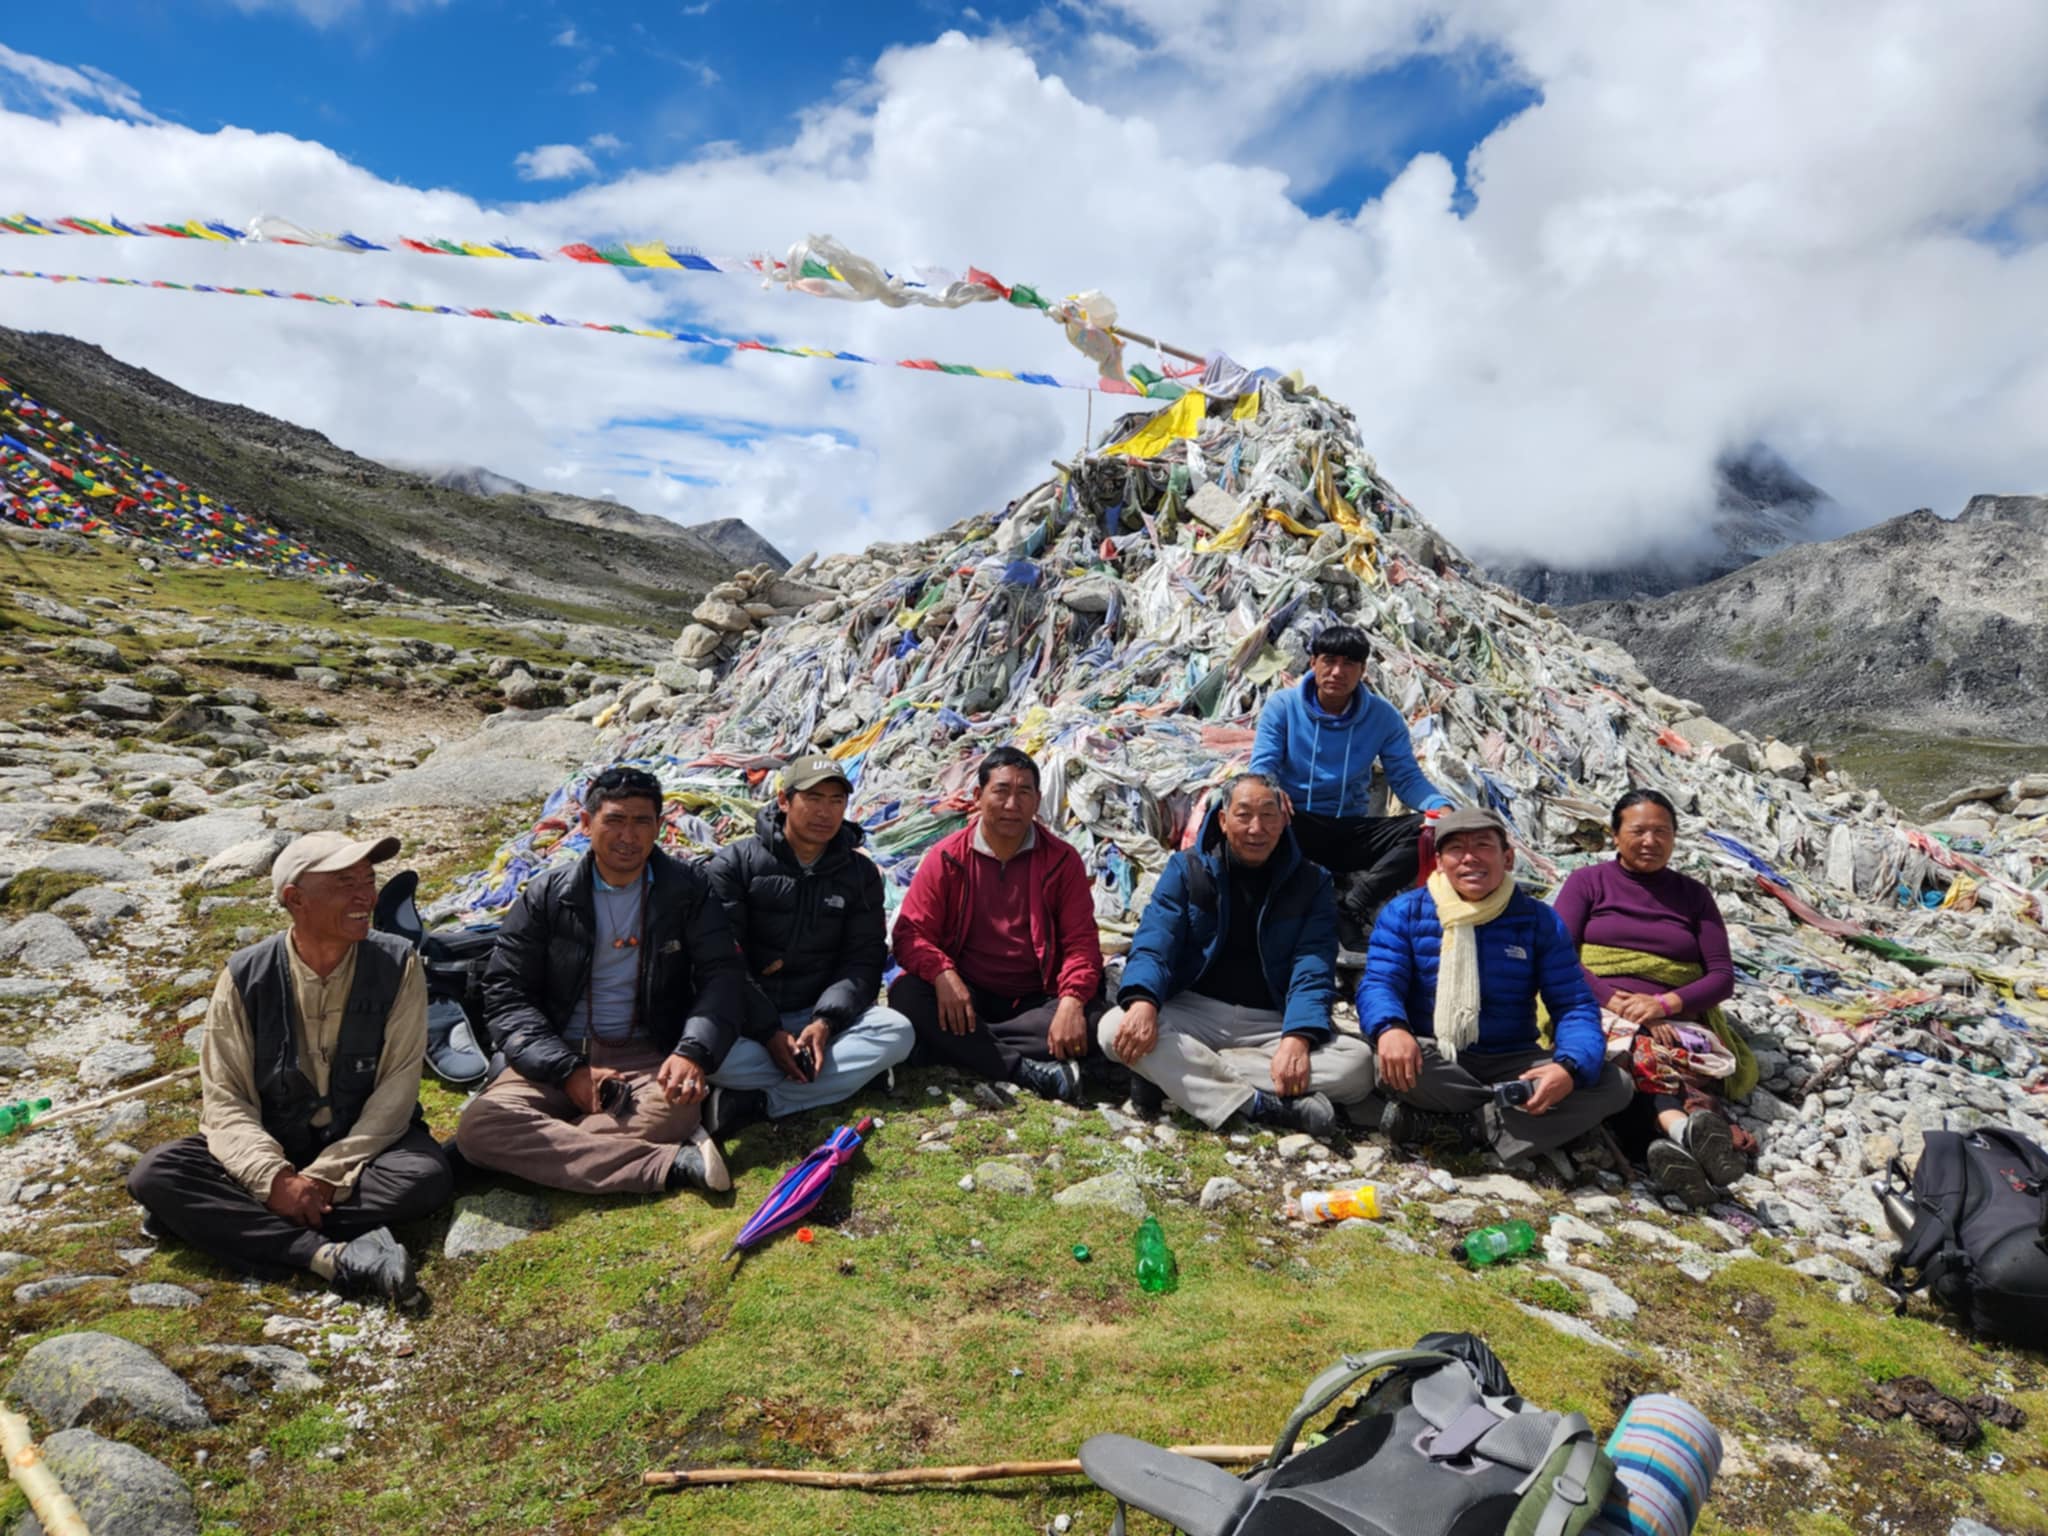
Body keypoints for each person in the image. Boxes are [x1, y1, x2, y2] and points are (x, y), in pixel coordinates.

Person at [128, 831, 452, 1304]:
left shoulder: (398, 963)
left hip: (361, 1152)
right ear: (295, 899)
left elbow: (396, 1094)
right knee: (156, 1173)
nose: (367, 896)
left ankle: (219, 1221)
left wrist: (321, 1177)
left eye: (369, 879)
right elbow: (226, 1100)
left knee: (424, 1178)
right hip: (272, 1141)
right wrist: (273, 1178)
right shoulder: (245, 975)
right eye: (346, 883)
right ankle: (326, 1257)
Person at [455, 765, 742, 1195]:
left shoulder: (687, 890)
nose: (629, 836)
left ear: (659, 827)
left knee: (676, 1111)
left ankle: (534, 1151)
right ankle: (671, 1165)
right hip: (555, 1056)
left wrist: (693, 1052)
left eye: (642, 822)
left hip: (646, 1057)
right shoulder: (547, 896)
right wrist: (568, 1070)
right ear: (587, 824)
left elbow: (723, 976)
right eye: (615, 820)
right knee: (480, 1125)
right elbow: (506, 993)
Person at [1099, 772, 1376, 1137]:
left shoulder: (1312, 882)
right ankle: (1261, 1105)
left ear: (1283, 821)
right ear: (1223, 820)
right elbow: (1155, 941)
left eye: (1268, 815)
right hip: (1193, 1009)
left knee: (1357, 1068)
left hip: (1269, 1023)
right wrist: (1145, 1002)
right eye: (1244, 815)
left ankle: (1175, 1076)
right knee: (1113, 1029)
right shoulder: (1188, 869)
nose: (1256, 828)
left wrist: (1296, 1037)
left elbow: (1312, 968)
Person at [1359, 807, 1632, 1160]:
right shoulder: (1406, 912)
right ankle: (1503, 1118)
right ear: (1440, 862)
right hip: (1436, 1052)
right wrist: (1390, 1028)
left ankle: (1462, 1125)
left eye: (1483, 846)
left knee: (1615, 1084)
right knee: (1385, 1062)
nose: (1470, 858)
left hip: (1511, 1057)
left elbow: (1574, 1004)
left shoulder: (1538, 921)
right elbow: (1380, 982)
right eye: (1456, 849)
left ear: (1508, 858)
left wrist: (1568, 1066)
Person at [1553, 788, 1754, 1206]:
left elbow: (1721, 977)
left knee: (1652, 1053)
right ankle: (1691, 1132)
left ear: (1675, 837)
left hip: (1675, 1014)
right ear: (1615, 834)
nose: (1650, 841)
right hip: (1598, 1004)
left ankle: (1668, 1150)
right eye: (1639, 830)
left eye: (1661, 831)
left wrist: (1662, 1005)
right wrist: (1616, 1000)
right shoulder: (1587, 882)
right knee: (1638, 1048)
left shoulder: (1694, 896)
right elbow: (1558, 955)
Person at [701, 754, 915, 1134]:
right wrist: (768, 1033)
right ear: (784, 801)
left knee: (897, 1031)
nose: (825, 812)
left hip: (817, 1015)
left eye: (836, 801)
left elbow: (863, 958)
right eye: (814, 798)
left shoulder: (859, 872)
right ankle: (846, 1076)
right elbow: (722, 962)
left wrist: (826, 1022)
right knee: (708, 1054)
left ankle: (757, 1102)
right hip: (746, 1019)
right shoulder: (734, 865)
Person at [889, 746, 1106, 1102]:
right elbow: (910, 934)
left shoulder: (1062, 861)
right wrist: (943, 973)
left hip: (1037, 996)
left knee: (1094, 1018)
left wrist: (1069, 1001)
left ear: (1037, 800)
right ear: (978, 796)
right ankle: (1023, 1070)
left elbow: (1081, 943)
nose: (1012, 804)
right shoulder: (947, 857)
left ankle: (957, 1046)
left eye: (1024, 793)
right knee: (907, 994)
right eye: (1001, 791)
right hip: (966, 993)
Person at [1249, 624, 1452, 948]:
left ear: (1362, 670)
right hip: (1296, 823)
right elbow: (1263, 766)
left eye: (1349, 664)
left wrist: (1441, 807)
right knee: (1239, 810)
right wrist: (1271, 789)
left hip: (1350, 828)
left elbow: (1405, 777)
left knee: (1434, 828)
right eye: (1329, 660)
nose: (1337, 671)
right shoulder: (1282, 707)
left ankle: (1354, 905)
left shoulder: (1383, 718)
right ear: (1313, 662)